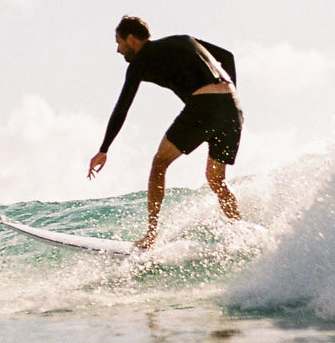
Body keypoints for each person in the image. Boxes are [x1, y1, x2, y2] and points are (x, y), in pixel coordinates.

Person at [87, 16, 244, 249]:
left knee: (159, 163)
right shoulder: (184, 39)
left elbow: (122, 107)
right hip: (232, 107)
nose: (118, 49)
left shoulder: (139, 62)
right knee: (216, 179)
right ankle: (241, 232)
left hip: (205, 105)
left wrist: (104, 149)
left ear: (132, 39)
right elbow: (228, 57)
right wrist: (225, 99)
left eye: (119, 42)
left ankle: (150, 236)